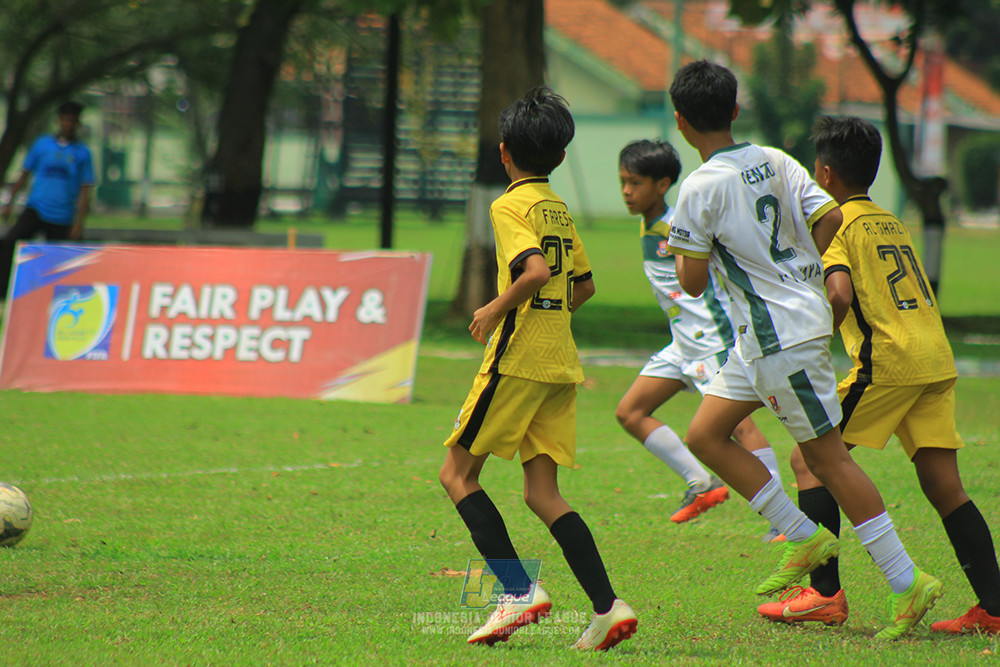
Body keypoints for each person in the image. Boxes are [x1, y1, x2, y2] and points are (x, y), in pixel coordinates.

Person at [664, 60, 941, 640]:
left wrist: (690, 250)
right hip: (763, 336)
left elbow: (690, 283)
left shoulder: (697, 187)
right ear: (735, 111)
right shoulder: (775, 158)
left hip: (778, 338)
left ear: (681, 121)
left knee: (828, 461)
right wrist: (802, 272)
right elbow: (830, 215)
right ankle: (805, 537)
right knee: (704, 436)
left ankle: (906, 581)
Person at [758, 116, 1000, 633]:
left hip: (888, 362)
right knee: (946, 487)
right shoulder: (891, 220)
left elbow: (839, 293)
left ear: (823, 174)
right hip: (934, 359)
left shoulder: (836, 222)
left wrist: (814, 336)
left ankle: (823, 595)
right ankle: (995, 609)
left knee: (808, 458)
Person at [437, 87, 637, 651]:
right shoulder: (557, 206)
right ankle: (607, 606)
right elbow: (585, 284)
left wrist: (494, 308)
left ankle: (518, 590)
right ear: (560, 157)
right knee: (542, 493)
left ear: (504, 153)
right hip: (559, 364)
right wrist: (551, 318)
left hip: (518, 359)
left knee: (457, 476)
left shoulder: (509, 204)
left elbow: (534, 269)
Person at [615, 139, 786, 536]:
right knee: (630, 412)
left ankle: (781, 518)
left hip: (712, 341)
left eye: (635, 183)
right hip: (682, 344)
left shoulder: (677, 226)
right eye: (623, 181)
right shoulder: (648, 223)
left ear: (662, 184)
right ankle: (703, 484)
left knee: (738, 427)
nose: (626, 191)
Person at [1, 100, 95, 300]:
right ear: (58, 121)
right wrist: (9, 202)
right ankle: (5, 292)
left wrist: (79, 222)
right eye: (65, 119)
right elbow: (25, 173)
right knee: (10, 243)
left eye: (72, 121)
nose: (68, 124)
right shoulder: (42, 145)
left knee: (61, 258)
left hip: (62, 214)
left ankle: (54, 296)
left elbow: (85, 188)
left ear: (77, 124)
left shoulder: (82, 153)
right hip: (36, 207)